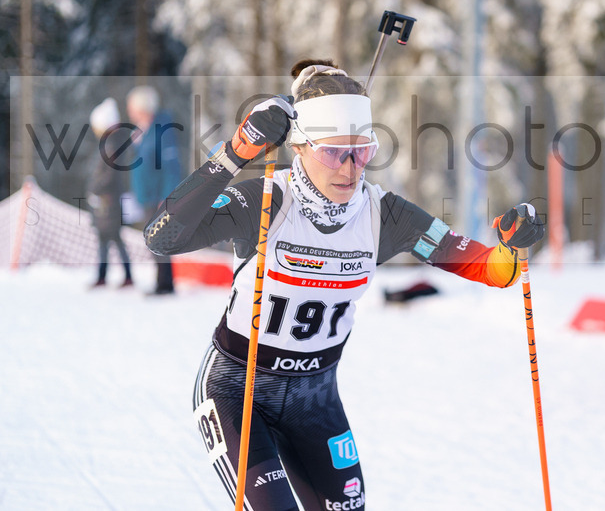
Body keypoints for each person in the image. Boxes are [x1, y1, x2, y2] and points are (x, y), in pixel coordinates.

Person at [144, 60, 545, 510]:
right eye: (335, 152)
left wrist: (513, 245)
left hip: (315, 399)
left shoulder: (384, 214)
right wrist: (236, 151)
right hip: (237, 389)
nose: (351, 168)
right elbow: (162, 237)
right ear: (301, 147)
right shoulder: (264, 200)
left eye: (363, 151)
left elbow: (491, 269)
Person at [127, 85, 182, 295]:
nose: (129, 112)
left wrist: (166, 197)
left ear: (142, 108)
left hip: (157, 197)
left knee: (158, 239)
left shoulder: (162, 130)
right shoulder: (145, 131)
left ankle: (165, 284)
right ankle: (162, 281)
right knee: (153, 239)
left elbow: (171, 166)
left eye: (131, 107)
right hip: (147, 196)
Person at [86, 98, 133, 289]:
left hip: (109, 200)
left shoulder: (111, 144)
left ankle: (122, 276)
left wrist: (96, 189)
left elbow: (108, 173)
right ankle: (104, 275)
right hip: (108, 199)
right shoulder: (112, 142)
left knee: (112, 237)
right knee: (106, 239)